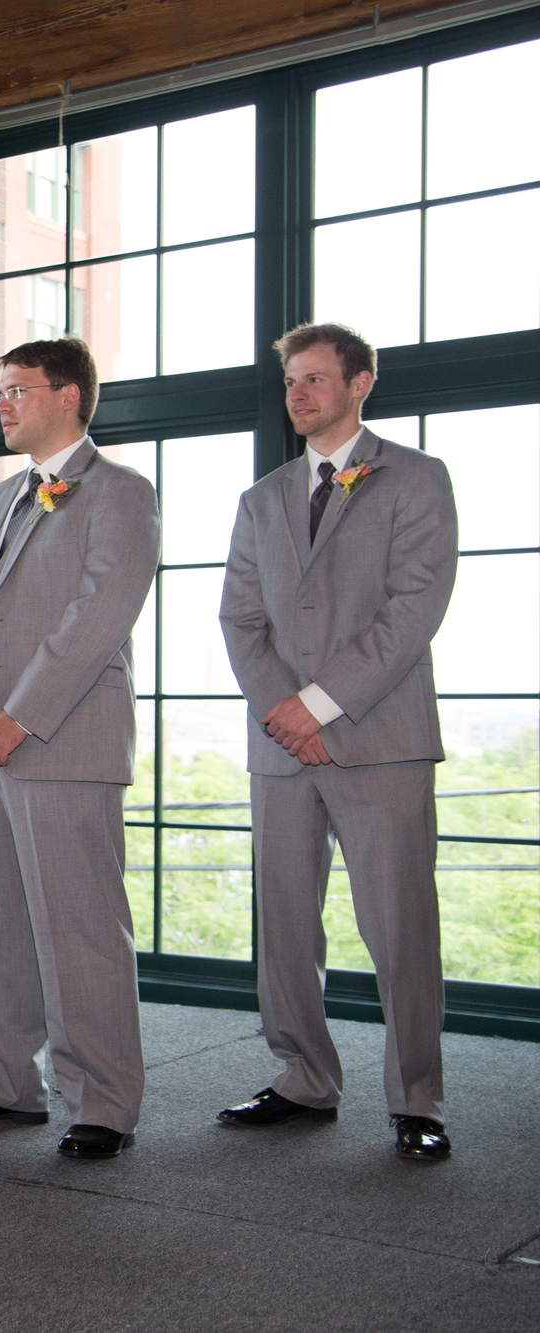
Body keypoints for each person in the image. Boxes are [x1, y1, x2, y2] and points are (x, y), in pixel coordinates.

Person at [216, 323, 458, 1161]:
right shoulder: (262, 499)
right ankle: (303, 1078)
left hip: (381, 739)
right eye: (291, 379)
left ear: (361, 384)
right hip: (281, 747)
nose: (298, 392)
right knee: (285, 924)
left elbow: (414, 608)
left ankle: (417, 1098)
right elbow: (240, 618)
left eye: (315, 378)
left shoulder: (417, 478)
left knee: (400, 927)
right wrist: (285, 711)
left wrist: (318, 705)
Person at [0, 337, 158, 1160]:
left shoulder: (122, 494)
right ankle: (7, 1079)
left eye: (17, 390)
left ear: (68, 396)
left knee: (81, 931)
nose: (3, 404)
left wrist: (16, 718)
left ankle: (104, 1100)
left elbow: (98, 617)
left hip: (64, 745)